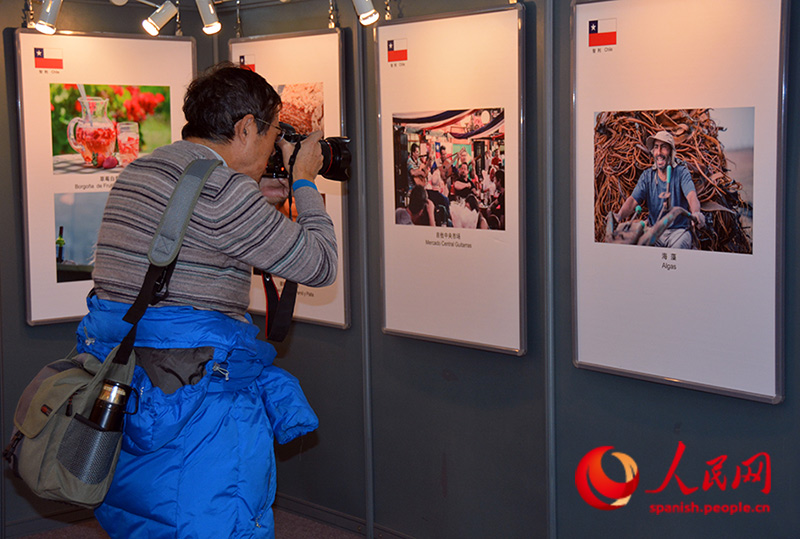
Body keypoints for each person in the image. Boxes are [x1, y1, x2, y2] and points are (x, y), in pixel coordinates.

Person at [75, 62, 337, 538]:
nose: (274, 145)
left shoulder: (141, 171)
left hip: (136, 388)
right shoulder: (224, 191)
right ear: (245, 128)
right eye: (274, 132)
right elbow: (320, 264)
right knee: (219, 519)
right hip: (200, 411)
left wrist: (257, 199)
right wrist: (304, 183)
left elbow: (187, 236)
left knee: (147, 518)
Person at [614, 130, 704, 249]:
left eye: (664, 147)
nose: (659, 152)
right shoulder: (648, 176)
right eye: (656, 147)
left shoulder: (681, 173)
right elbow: (633, 201)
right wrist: (619, 216)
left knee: (678, 249)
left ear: (671, 152)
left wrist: (696, 213)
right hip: (655, 231)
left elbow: (691, 196)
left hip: (679, 232)